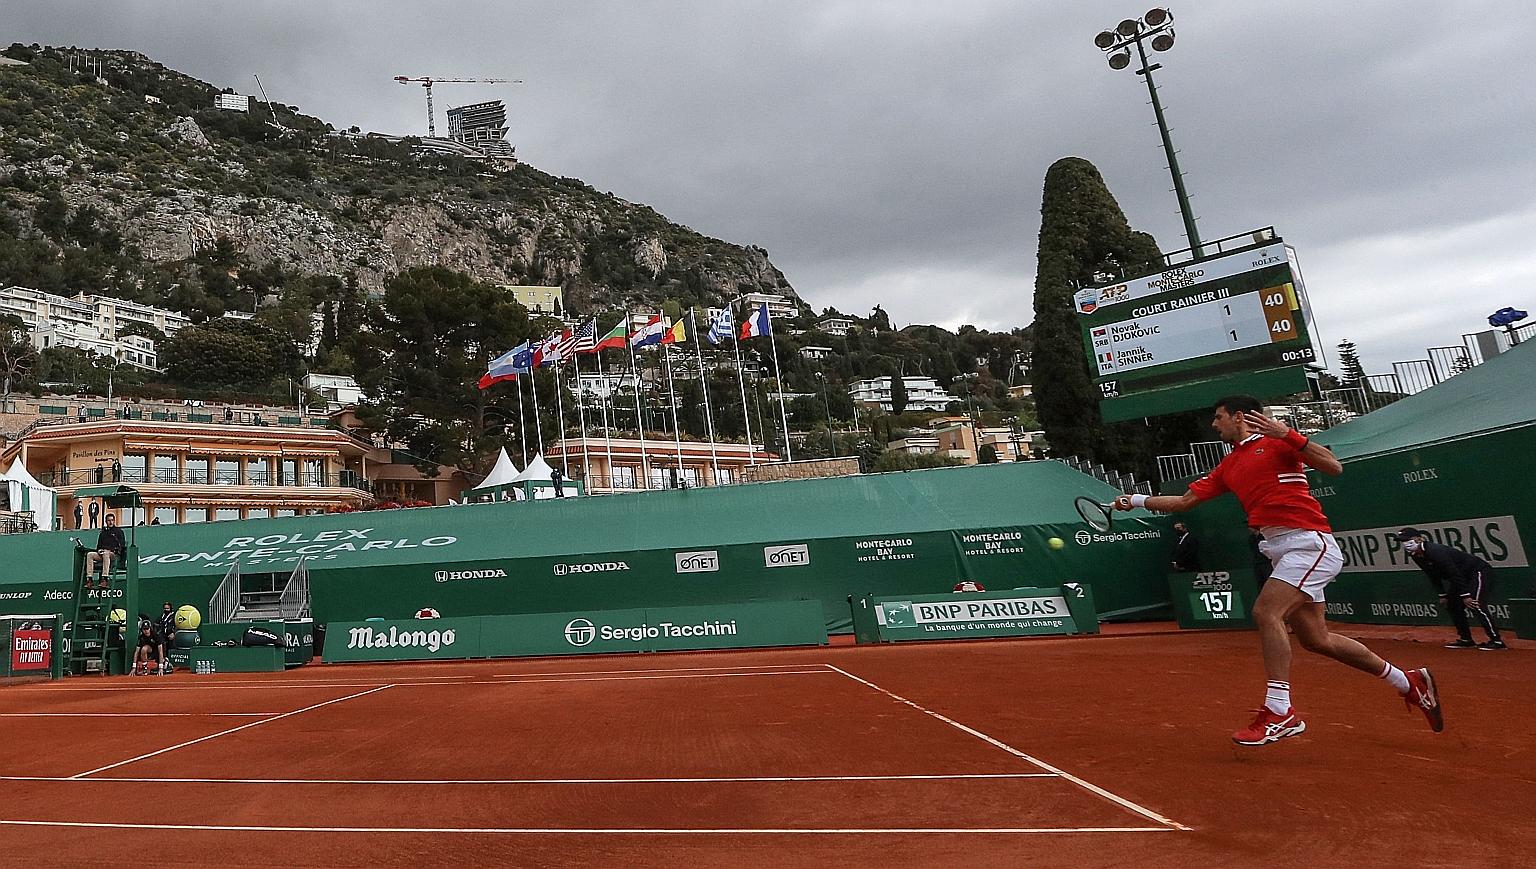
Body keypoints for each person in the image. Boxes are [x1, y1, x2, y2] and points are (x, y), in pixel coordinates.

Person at [1112, 395, 1442, 746]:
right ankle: (1409, 683)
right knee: (1317, 640)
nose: (1214, 424)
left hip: (1308, 544)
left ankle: (1280, 711)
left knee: (1266, 612)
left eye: (1218, 416)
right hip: (1279, 550)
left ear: (1239, 417)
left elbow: (1333, 466)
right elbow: (1183, 502)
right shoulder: (1229, 464)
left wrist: (1288, 434)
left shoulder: (1277, 443)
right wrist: (1132, 500)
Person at [1396, 528, 1506, 650]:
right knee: (1452, 605)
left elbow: (1453, 572)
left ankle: (1497, 641)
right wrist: (1442, 594)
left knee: (1475, 604)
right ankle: (1466, 639)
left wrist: (1466, 595)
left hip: (1478, 572)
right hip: (1461, 577)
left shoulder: (1435, 551)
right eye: (1402, 541)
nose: (1405, 543)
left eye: (1407, 540)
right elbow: (1431, 574)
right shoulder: (1415, 555)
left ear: (1418, 538)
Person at [84, 513, 127, 589]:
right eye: (109, 520)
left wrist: (112, 550)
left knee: (106, 554)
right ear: (106, 521)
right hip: (102, 554)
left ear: (114, 521)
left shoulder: (119, 531)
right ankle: (89, 579)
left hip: (113, 554)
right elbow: (98, 546)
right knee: (90, 554)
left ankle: (105, 579)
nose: (110, 522)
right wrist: (99, 550)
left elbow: (122, 545)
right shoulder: (103, 533)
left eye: (112, 520)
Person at [154, 602, 178, 674]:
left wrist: (174, 633)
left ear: (170, 608)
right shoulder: (162, 616)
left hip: (171, 636)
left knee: (170, 643)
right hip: (162, 636)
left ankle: (169, 663)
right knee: (159, 644)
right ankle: (160, 663)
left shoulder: (174, 616)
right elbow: (155, 623)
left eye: (167, 608)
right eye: (165, 608)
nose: (166, 610)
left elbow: (177, 626)